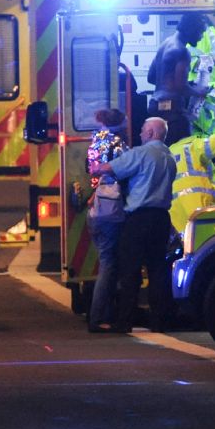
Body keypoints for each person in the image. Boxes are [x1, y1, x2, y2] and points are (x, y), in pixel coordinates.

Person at [89, 116, 177, 333]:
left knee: (130, 271)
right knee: (158, 271)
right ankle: (159, 321)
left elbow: (109, 168)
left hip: (139, 219)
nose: (139, 134)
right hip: (161, 219)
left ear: (150, 133)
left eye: (142, 130)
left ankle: (124, 321)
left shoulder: (141, 153)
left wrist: (95, 165)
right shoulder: (169, 157)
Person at [84, 108, 128, 333]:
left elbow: (91, 171)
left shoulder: (96, 141)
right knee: (109, 265)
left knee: (106, 262)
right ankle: (98, 317)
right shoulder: (118, 143)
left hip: (96, 209)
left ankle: (104, 314)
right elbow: (125, 170)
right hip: (111, 210)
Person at [168, 115, 215, 232]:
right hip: (203, 211)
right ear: (188, 129)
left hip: (177, 217)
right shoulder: (193, 146)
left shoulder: (167, 154)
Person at [147, 13, 207, 87]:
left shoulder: (166, 43)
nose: (202, 37)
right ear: (191, 30)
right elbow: (182, 89)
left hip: (160, 97)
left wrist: (187, 84)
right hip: (172, 98)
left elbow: (151, 78)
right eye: (201, 32)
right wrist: (200, 91)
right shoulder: (182, 52)